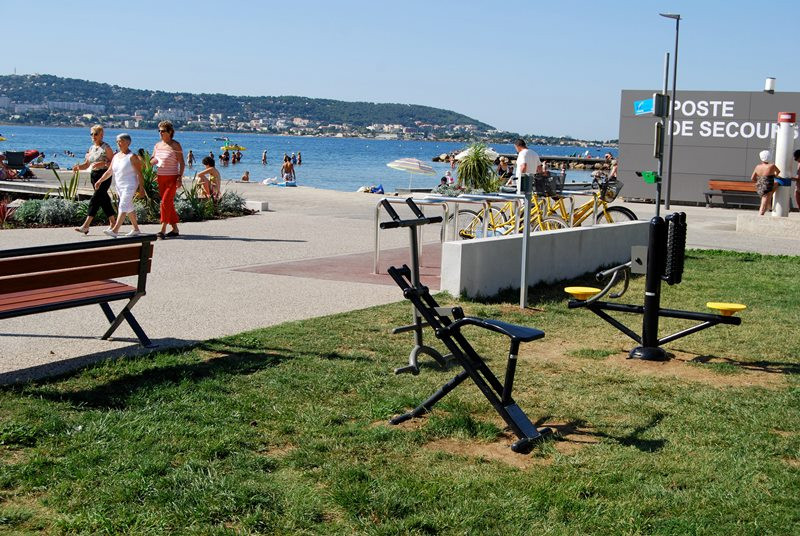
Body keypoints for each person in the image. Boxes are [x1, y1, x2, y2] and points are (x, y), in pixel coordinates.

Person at [95, 133, 144, 237]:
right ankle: (136, 229)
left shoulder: (132, 157)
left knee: (123, 205)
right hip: (119, 186)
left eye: (120, 141)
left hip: (130, 185)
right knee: (128, 206)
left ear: (127, 142)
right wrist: (99, 181)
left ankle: (115, 230)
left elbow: (140, 174)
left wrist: (141, 189)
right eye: (117, 141)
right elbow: (109, 171)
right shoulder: (116, 156)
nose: (118, 143)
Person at [73, 125, 117, 235]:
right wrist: (78, 167)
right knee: (103, 198)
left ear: (102, 135)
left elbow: (114, 163)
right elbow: (87, 164)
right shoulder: (91, 148)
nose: (93, 136)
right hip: (94, 175)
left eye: (96, 134)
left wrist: (103, 163)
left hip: (105, 175)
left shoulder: (106, 147)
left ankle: (86, 225)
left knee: (95, 199)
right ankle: (113, 222)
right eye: (91, 134)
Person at [151, 120, 184, 238]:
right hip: (160, 178)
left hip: (172, 178)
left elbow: (182, 163)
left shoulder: (175, 145)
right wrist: (148, 163)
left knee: (165, 202)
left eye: (163, 131)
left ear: (170, 132)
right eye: (159, 131)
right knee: (168, 203)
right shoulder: (157, 145)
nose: (160, 133)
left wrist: (180, 177)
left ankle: (163, 229)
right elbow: (154, 160)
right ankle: (175, 229)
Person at [751, 149, 780, 216]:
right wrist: (774, 176)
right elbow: (778, 172)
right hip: (767, 186)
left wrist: (761, 181)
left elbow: (752, 178)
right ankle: (760, 216)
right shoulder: (772, 166)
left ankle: (769, 204)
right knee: (763, 205)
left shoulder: (758, 166)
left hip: (760, 186)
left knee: (764, 200)